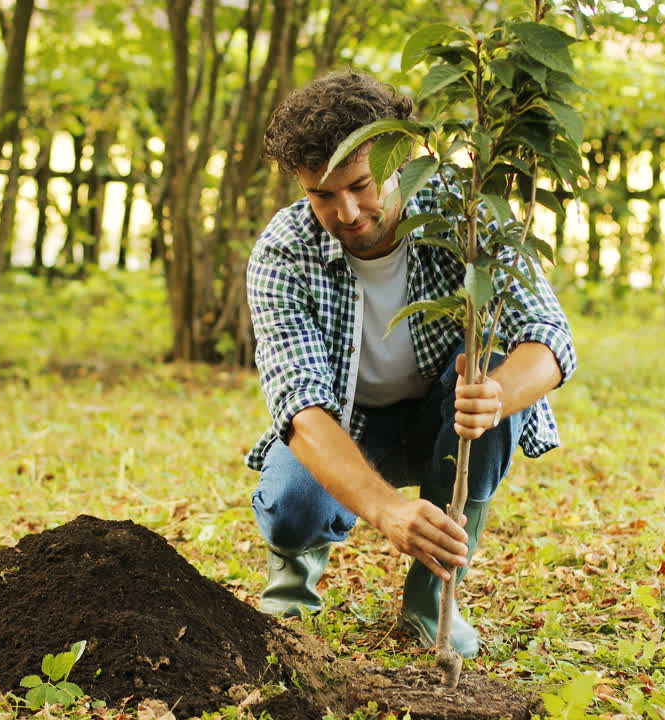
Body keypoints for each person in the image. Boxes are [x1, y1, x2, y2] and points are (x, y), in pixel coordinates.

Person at [244, 71, 577, 658]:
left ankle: (432, 604)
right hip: (348, 426)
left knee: (489, 364)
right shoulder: (283, 251)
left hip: (443, 419)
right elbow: (299, 406)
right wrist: (386, 509)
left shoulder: (466, 215)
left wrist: (496, 393)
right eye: (323, 195)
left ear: (405, 157)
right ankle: (292, 591)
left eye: (361, 184)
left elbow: (549, 340)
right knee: (292, 501)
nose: (346, 212)